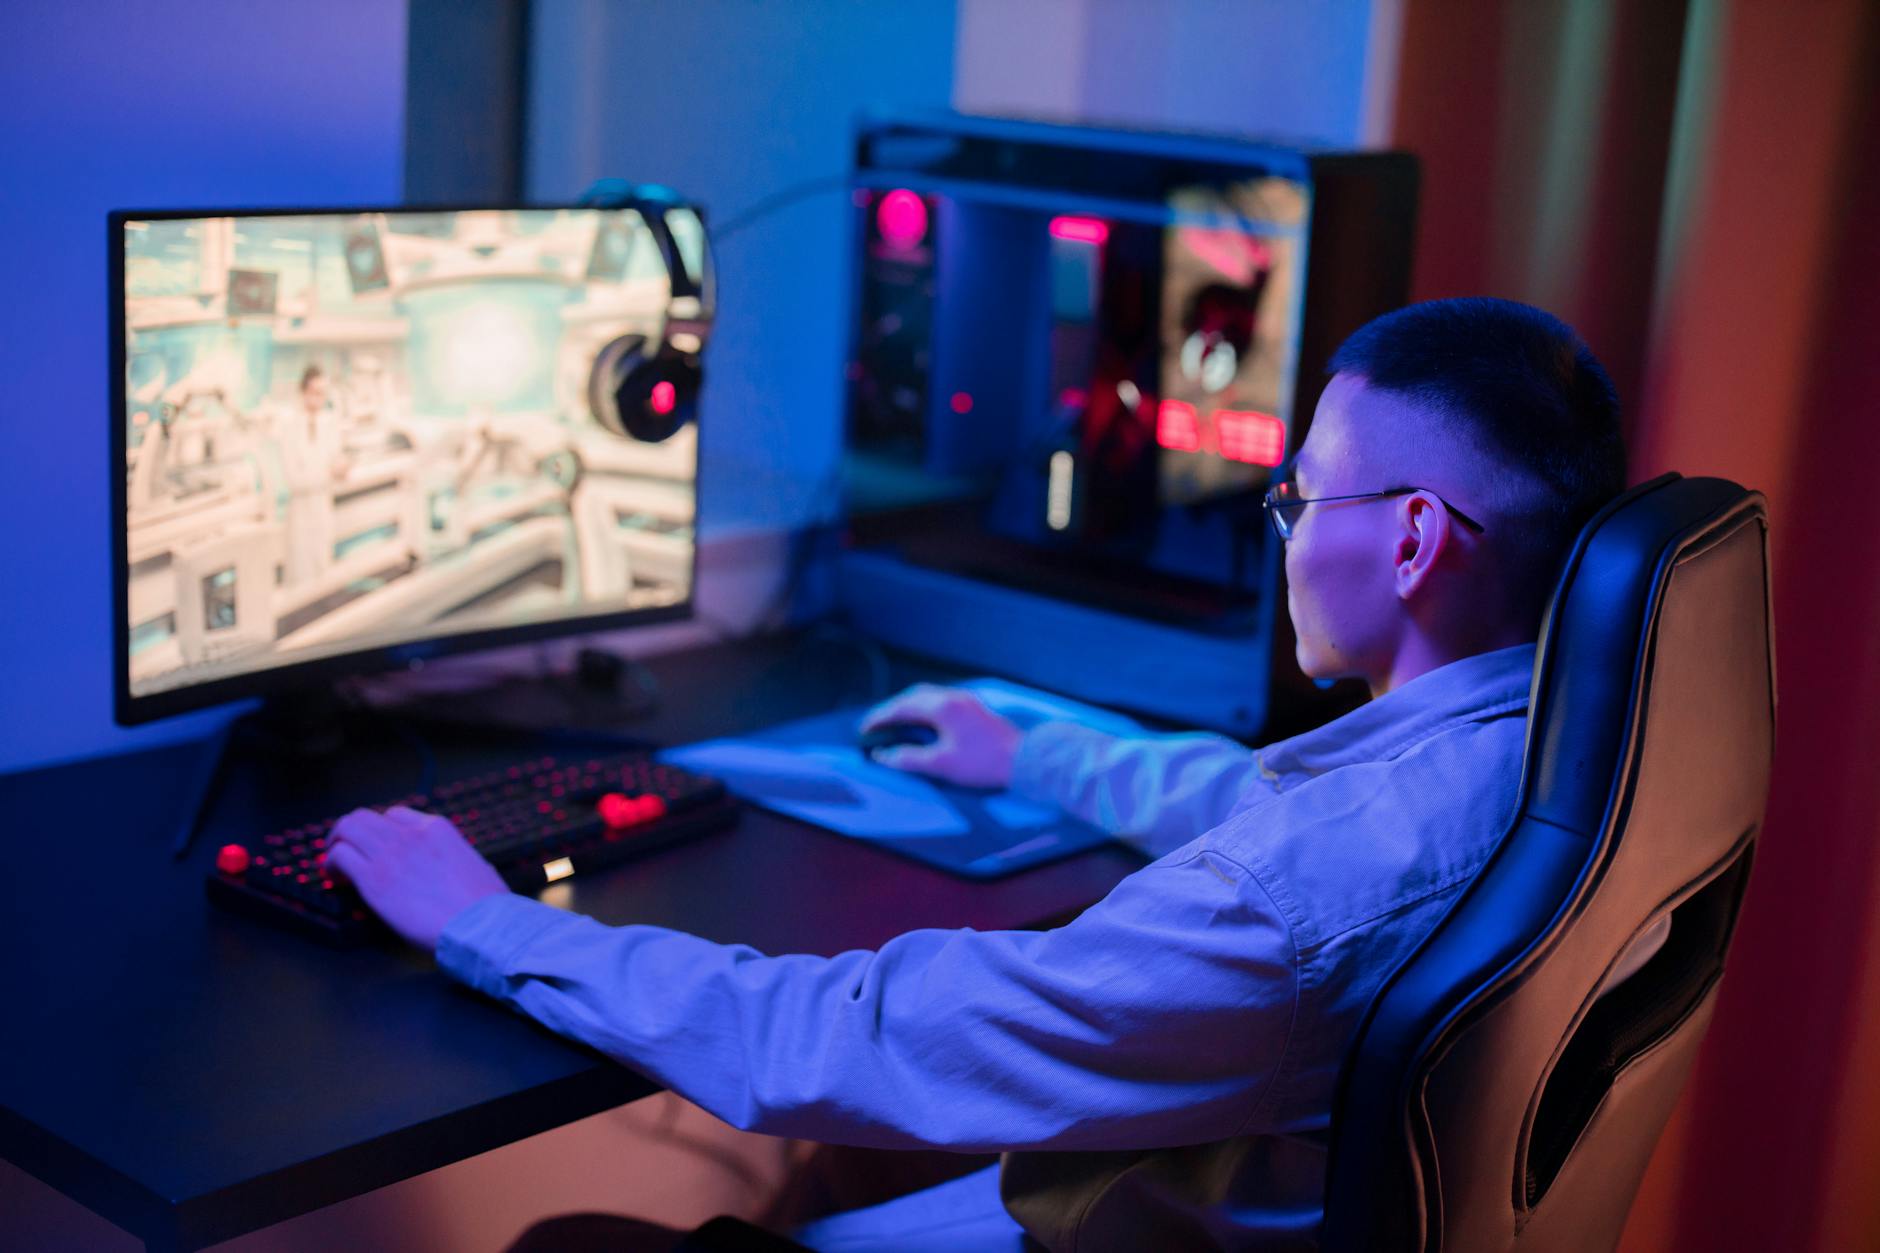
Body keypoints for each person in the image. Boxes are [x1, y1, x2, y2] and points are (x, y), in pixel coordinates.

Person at [327, 298, 1631, 1250]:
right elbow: (1281, 813)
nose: (1281, 530)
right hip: (1242, 1189)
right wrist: (1041, 750)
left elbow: (842, 1037)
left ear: (1411, 540)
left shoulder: (1286, 904)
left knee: (570, 1246)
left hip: (1152, 1230)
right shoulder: (1561, 751)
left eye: (1300, 497)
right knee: (836, 1172)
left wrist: (478, 917)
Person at [274, 362, 353, 586]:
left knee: (322, 573)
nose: (319, 398)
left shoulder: (330, 424)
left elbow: (337, 468)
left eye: (323, 393)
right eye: (315, 392)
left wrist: (338, 470)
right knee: (300, 578)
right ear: (303, 392)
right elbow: (294, 480)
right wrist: (328, 472)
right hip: (300, 514)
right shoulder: (289, 427)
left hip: (322, 510)